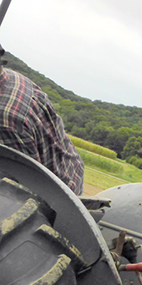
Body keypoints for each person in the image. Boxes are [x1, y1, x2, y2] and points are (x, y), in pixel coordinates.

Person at [0, 46, 85, 195]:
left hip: (58, 196)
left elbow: (21, 189)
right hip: (72, 171)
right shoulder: (14, 78)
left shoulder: (5, 120)